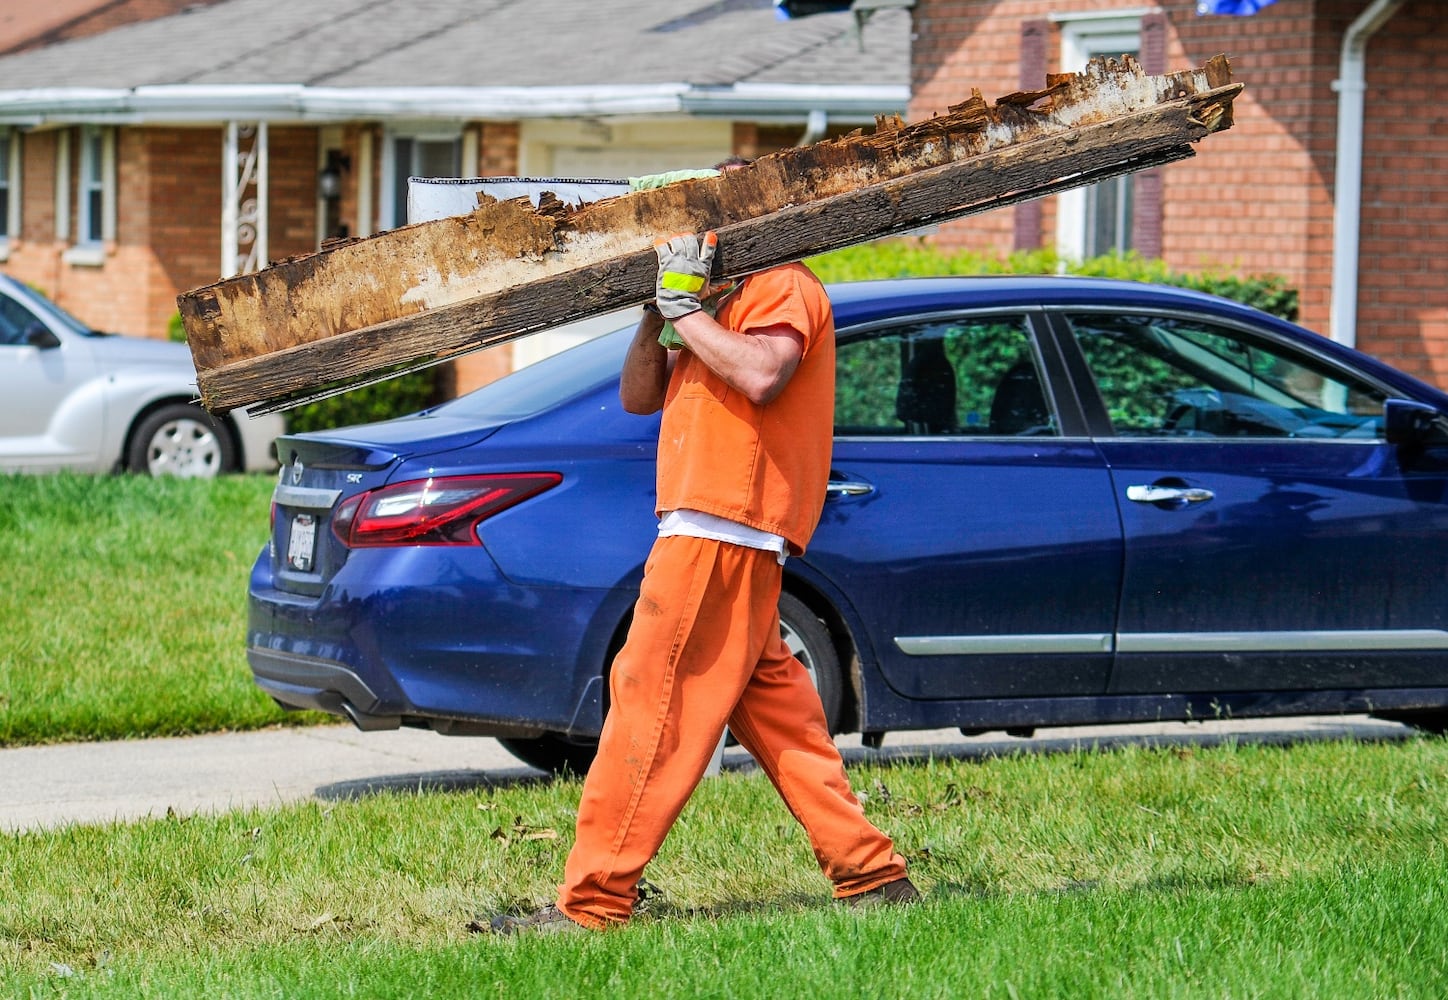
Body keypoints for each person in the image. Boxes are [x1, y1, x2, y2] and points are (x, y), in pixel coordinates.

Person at [491, 219, 917, 935]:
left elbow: (760, 373)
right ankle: (871, 874)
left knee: (649, 709)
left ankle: (593, 905)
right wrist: (660, 309)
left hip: (721, 528)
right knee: (784, 721)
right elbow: (637, 396)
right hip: (719, 530)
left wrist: (688, 311)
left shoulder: (786, 284)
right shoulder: (714, 298)